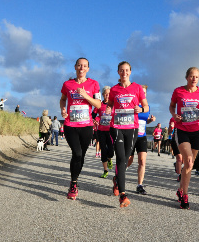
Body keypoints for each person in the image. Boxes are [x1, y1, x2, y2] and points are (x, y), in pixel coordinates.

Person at [107, 61, 149, 207]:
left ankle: (117, 180)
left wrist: (141, 110)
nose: (124, 73)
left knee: (125, 160)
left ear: (130, 72)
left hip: (132, 128)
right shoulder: (114, 89)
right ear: (118, 72)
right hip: (116, 126)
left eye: (126, 70)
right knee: (120, 159)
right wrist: (108, 108)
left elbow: (146, 106)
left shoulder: (137, 88)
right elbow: (110, 104)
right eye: (121, 70)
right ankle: (123, 195)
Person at [60, 58, 101, 200]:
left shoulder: (94, 84)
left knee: (81, 155)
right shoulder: (67, 84)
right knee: (76, 153)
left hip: (87, 126)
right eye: (79, 65)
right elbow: (63, 99)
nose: (81, 68)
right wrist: (63, 109)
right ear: (75, 67)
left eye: (84, 66)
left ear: (88, 69)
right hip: (70, 125)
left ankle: (74, 179)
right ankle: (73, 183)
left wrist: (85, 95)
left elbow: (99, 104)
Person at [169, 67, 199, 209]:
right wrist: (174, 115)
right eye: (191, 76)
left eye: (196, 77)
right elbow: (172, 106)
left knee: (189, 165)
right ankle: (185, 195)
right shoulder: (178, 91)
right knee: (189, 161)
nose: (194, 79)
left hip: (197, 131)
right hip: (182, 130)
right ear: (186, 77)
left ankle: (180, 190)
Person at [127, 85, 155, 195]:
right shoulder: (132, 104)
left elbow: (144, 121)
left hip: (142, 136)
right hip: (131, 135)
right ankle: (119, 174)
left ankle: (140, 185)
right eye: (140, 92)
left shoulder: (147, 106)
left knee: (142, 161)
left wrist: (150, 120)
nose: (142, 94)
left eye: (144, 92)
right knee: (129, 160)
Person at [92, 86, 114, 178]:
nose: (107, 95)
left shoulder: (113, 105)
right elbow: (92, 114)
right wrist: (94, 120)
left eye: (109, 94)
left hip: (111, 130)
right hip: (101, 130)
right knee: (103, 151)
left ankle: (109, 159)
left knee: (111, 151)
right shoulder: (99, 105)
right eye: (105, 94)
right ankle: (105, 170)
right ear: (103, 95)